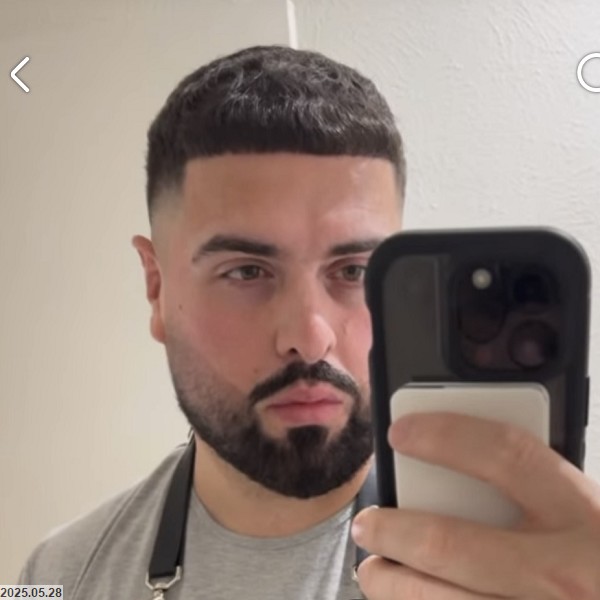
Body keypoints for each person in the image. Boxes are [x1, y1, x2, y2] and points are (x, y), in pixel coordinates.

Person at [19, 45, 600, 600]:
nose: (310, 337)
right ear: (156, 287)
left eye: (354, 271)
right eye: (246, 271)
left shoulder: (544, 557)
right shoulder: (53, 574)